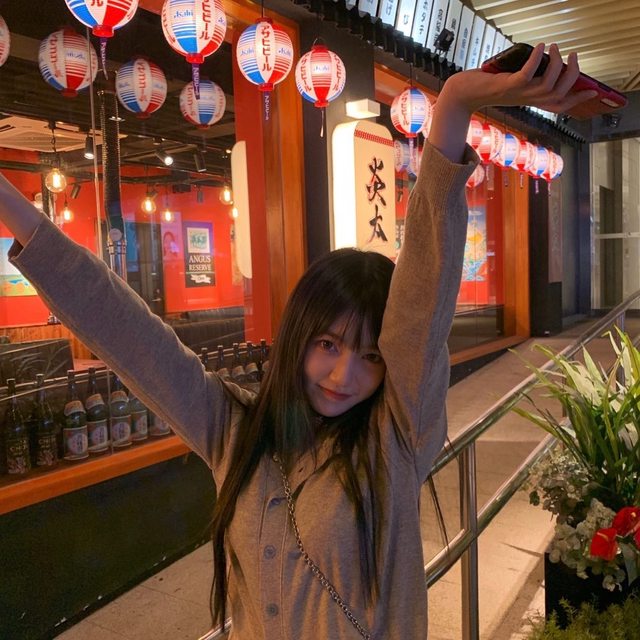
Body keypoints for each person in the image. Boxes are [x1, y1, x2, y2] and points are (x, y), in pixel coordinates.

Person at [0, 44, 595, 639]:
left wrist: (455, 105)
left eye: (370, 356)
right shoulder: (235, 432)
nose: (343, 376)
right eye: (327, 345)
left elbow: (422, 302)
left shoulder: (394, 439)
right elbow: (127, 333)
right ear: (297, 337)